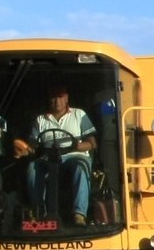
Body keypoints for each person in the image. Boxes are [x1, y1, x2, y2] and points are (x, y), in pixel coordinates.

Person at [13, 84, 97, 225]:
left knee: (81, 166)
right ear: (48, 99)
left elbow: (92, 143)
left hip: (74, 155)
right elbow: (33, 147)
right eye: (53, 97)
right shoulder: (40, 120)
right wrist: (24, 151)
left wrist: (77, 146)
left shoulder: (79, 114)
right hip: (48, 157)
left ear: (66, 98)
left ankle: (79, 215)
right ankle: (39, 212)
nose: (56, 101)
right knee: (33, 167)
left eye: (60, 97)